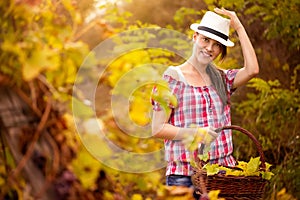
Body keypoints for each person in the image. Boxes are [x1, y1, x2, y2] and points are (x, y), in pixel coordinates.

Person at [151, 7, 259, 199]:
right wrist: (195, 133)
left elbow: (252, 70)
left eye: (217, 45)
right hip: (184, 175)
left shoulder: (222, 79)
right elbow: (157, 128)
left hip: (223, 173)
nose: (209, 48)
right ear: (195, 37)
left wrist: (239, 28)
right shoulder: (172, 78)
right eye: (205, 40)